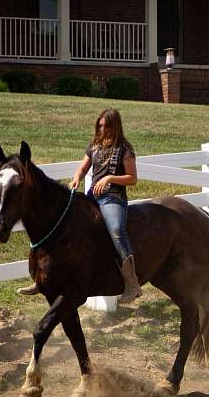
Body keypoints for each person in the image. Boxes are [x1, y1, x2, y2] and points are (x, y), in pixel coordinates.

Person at [17, 108, 142, 304]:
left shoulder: (125, 148)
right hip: (92, 196)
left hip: (112, 199)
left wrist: (110, 178)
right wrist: (76, 179)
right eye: (99, 125)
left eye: (105, 126)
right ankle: (40, 278)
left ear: (114, 126)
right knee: (58, 221)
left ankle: (132, 282)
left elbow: (132, 178)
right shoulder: (94, 145)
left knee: (117, 230)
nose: (101, 129)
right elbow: (83, 168)